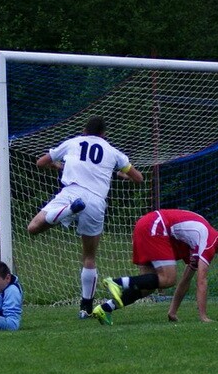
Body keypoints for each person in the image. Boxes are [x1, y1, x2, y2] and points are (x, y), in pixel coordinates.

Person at [27, 116, 143, 318]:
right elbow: (138, 178)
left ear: (84, 130)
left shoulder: (73, 142)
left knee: (33, 228)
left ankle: (68, 210)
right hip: (96, 202)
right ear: (104, 134)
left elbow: (41, 162)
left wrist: (57, 165)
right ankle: (85, 308)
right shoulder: (113, 152)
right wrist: (122, 175)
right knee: (89, 257)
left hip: (71, 192)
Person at [91, 209, 218, 326]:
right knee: (168, 278)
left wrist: (172, 312)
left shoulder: (201, 242)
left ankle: (105, 309)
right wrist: (203, 317)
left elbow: (186, 280)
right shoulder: (209, 242)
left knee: (147, 288)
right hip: (155, 226)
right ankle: (117, 283)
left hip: (147, 225)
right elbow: (202, 282)